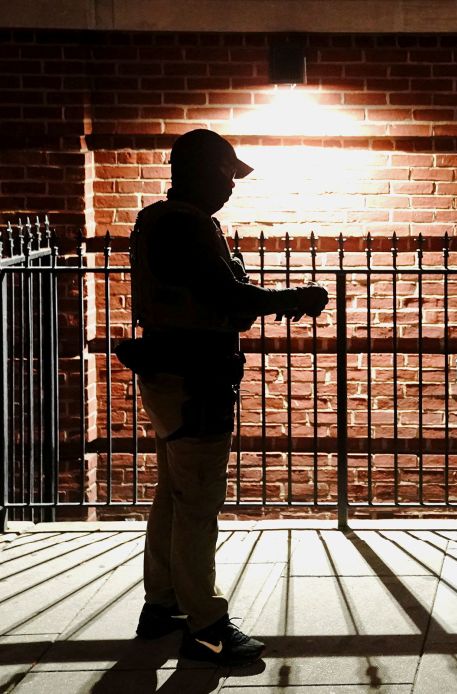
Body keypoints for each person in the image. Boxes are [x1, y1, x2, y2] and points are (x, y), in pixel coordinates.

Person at [118, 129, 328, 664]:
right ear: (205, 172)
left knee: (174, 496)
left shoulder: (160, 220)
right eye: (227, 176)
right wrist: (293, 298)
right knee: (197, 504)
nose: (231, 189)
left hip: (172, 376)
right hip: (194, 381)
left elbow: (212, 293)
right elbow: (225, 294)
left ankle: (160, 607)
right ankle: (207, 626)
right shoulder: (186, 225)